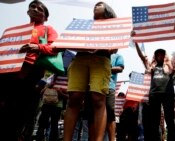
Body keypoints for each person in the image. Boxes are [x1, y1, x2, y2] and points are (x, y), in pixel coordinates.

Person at [0, 0, 58, 140]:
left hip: (31, 73)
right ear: (27, 11)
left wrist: (37, 47)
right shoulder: (15, 31)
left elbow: (55, 48)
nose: (36, 9)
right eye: (32, 7)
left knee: (22, 111)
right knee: (4, 108)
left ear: (45, 17)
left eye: (40, 9)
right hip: (7, 73)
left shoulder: (47, 29)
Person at [63, 2, 117, 141]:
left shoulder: (114, 28)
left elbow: (114, 48)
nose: (96, 6)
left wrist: (105, 46)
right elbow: (71, 42)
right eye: (95, 14)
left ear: (108, 14)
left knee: (98, 99)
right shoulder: (84, 26)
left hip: (101, 60)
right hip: (80, 60)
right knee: (74, 98)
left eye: (100, 5)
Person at [132, 24, 175, 141]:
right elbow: (140, 56)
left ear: (164, 56)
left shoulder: (169, 66)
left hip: (168, 93)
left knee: (169, 119)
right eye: (158, 53)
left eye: (162, 53)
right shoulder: (151, 66)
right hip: (154, 95)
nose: (160, 55)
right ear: (155, 55)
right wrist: (136, 41)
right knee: (154, 121)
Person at [36, 75, 68, 141]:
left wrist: (60, 93)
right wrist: (49, 86)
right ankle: (39, 138)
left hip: (55, 105)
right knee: (44, 124)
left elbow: (68, 96)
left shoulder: (58, 78)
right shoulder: (52, 78)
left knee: (53, 125)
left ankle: (47, 138)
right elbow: (41, 92)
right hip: (48, 105)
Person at [105, 49, 124, 141]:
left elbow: (120, 68)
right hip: (95, 86)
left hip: (109, 86)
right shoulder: (99, 54)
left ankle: (112, 139)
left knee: (110, 113)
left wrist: (106, 68)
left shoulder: (118, 56)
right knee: (95, 113)